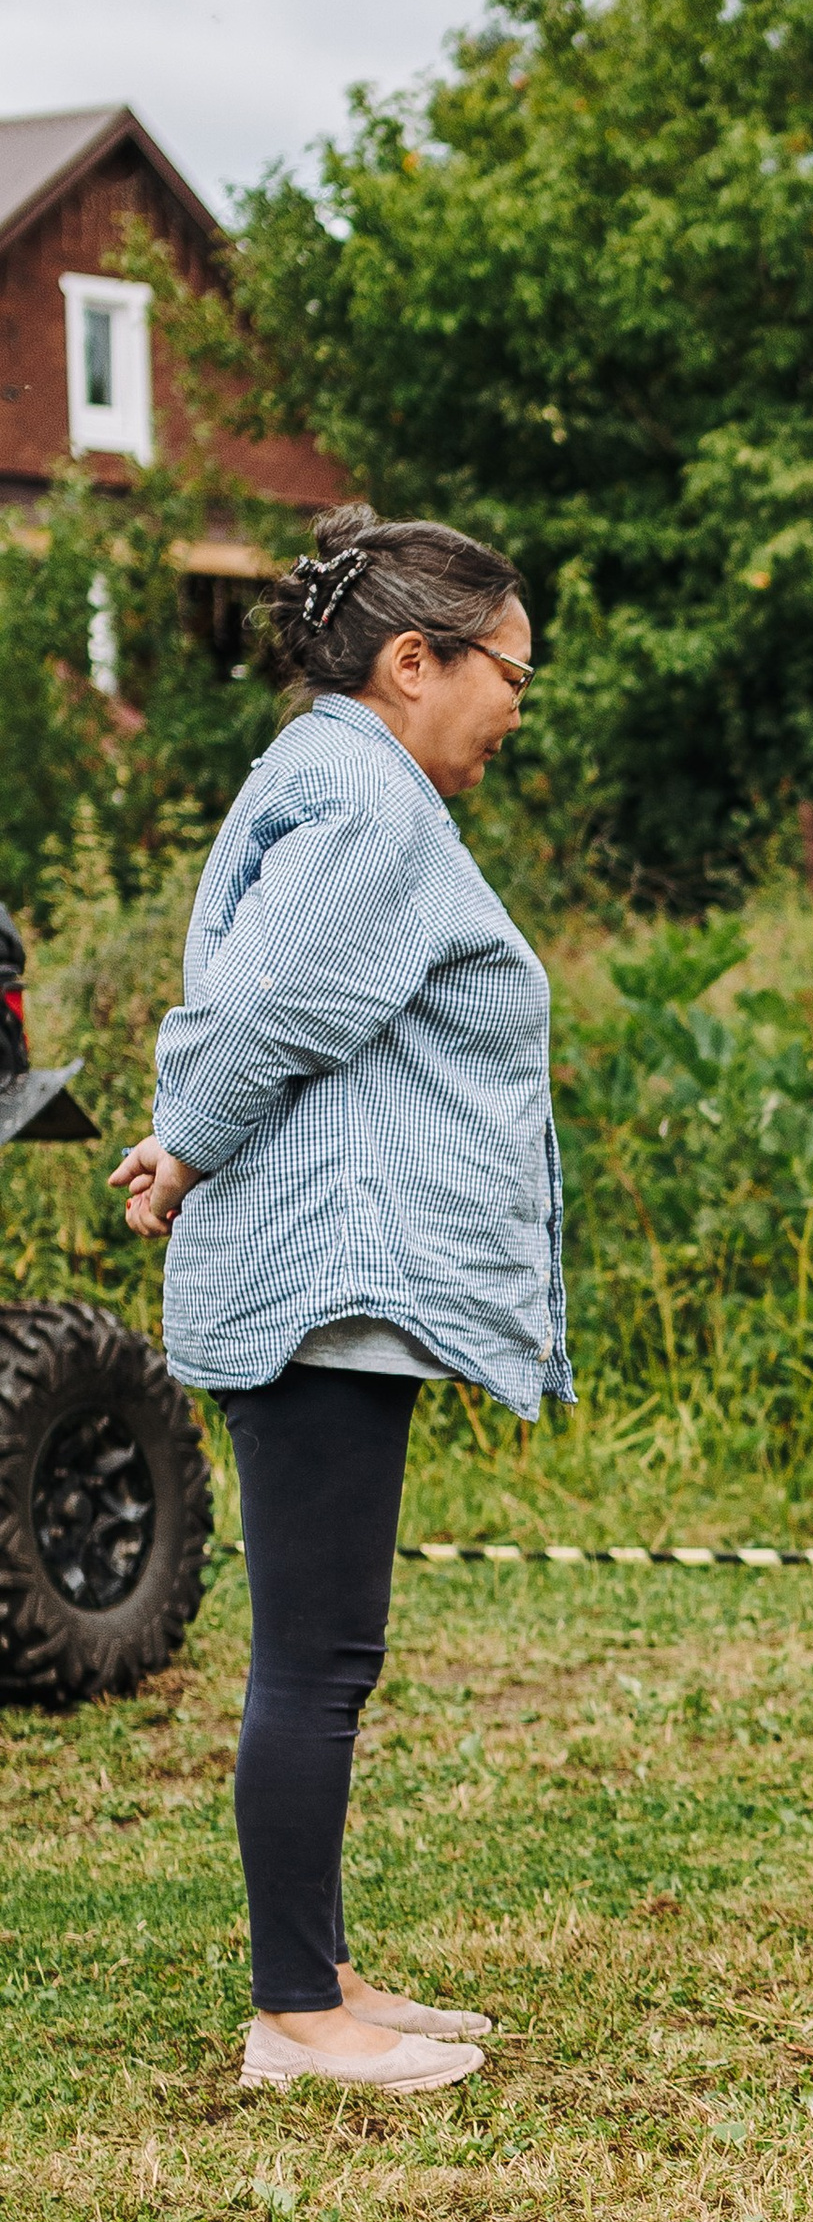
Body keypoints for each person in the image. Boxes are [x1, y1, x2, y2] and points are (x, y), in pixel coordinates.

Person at [112, 502, 570, 2097]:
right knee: (315, 1657)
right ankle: (293, 2018)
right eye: (513, 668)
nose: (521, 702)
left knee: (328, 1649)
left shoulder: (330, 775)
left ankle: (319, 1971)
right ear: (413, 659)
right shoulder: (370, 805)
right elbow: (262, 1015)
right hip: (321, 1281)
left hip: (326, 1275)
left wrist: (190, 1143)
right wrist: (181, 1144)